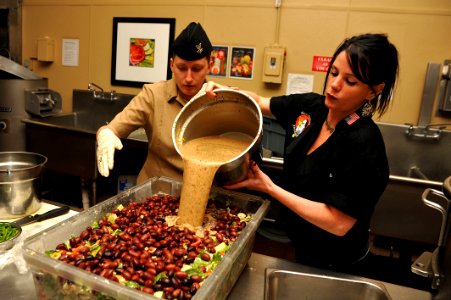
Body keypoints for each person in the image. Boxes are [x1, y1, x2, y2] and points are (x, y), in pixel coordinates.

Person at [203, 33, 399, 271]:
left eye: (350, 81)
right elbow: (261, 102)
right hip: (298, 246)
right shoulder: (311, 107)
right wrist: (223, 90)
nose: (335, 84)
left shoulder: (364, 144)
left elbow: (338, 222)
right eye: (334, 73)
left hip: (337, 263)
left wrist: (270, 188)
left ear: (373, 91)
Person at [96, 22, 213, 184]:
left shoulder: (220, 99)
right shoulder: (153, 95)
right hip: (155, 194)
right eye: (181, 68)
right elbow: (113, 129)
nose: (188, 78)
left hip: (204, 194)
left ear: (210, 66)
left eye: (196, 69)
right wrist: (105, 135)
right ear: (172, 65)